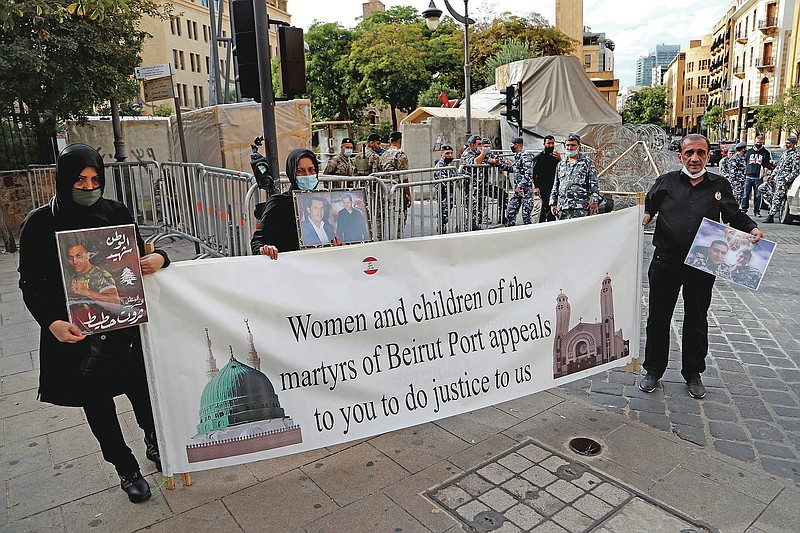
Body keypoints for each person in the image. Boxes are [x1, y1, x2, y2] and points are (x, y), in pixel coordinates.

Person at [18, 143, 170, 503]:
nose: (88, 187)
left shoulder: (115, 211)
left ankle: (154, 441)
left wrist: (161, 257)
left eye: (94, 179)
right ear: (63, 180)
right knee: (98, 402)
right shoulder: (39, 223)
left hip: (122, 327)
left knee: (140, 389)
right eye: (79, 180)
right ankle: (124, 466)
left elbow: (139, 253)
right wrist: (52, 322)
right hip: (76, 334)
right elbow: (29, 284)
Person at [640, 134, 763, 399]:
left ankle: (693, 373)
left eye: (700, 152)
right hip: (666, 261)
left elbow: (734, 214)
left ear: (708, 156)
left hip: (702, 263)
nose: (694, 158)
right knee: (658, 317)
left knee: (696, 318)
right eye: (689, 153)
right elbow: (647, 207)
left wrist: (752, 229)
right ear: (680, 156)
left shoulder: (719, 185)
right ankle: (653, 370)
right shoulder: (666, 182)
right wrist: (644, 217)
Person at [250, 148, 323, 258]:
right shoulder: (279, 203)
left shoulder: (323, 203)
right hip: (289, 270)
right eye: (300, 171)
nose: (307, 175)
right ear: (291, 172)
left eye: (311, 170)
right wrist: (265, 249)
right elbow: (258, 241)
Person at [549, 133, 601, 220]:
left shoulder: (587, 163)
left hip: (580, 207)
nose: (570, 148)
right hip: (563, 207)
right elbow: (556, 185)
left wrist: (594, 201)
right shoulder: (561, 164)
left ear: (578, 146)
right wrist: (553, 203)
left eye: (573, 145)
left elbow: (594, 184)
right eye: (567, 145)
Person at [491, 136, 535, 226]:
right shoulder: (517, 156)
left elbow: (529, 174)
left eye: (512, 144)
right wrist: (500, 164)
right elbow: (513, 169)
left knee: (526, 216)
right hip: (517, 191)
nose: (511, 146)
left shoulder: (525, 156)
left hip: (525, 191)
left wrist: (520, 186)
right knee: (511, 212)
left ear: (516, 145)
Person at [66, 242, 120, 306]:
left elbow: (116, 303)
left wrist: (86, 291)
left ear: (87, 256)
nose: (75, 261)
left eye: (79, 256)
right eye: (71, 257)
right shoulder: (70, 272)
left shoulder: (101, 275)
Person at [378, 131, 411, 235]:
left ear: (389, 141)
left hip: (384, 190)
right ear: (400, 141)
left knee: (386, 218)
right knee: (399, 218)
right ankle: (397, 239)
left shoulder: (383, 155)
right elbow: (404, 176)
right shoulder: (400, 154)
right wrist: (408, 194)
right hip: (397, 191)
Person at [763, 134, 800, 223]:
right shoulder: (785, 153)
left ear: (793, 144)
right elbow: (779, 166)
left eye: (788, 143)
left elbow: (795, 171)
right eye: (786, 143)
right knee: (762, 188)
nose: (786, 144)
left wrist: (786, 180)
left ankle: (771, 216)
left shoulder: (796, 155)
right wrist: (772, 175)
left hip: (784, 181)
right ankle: (775, 205)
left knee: (777, 196)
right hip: (777, 178)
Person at [460, 135, 489, 230]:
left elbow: (488, 160)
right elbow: (475, 162)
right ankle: (469, 227)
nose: (482, 146)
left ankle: (476, 225)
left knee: (480, 206)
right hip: (469, 186)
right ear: (472, 145)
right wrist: (483, 154)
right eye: (479, 144)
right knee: (472, 206)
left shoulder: (478, 153)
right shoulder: (467, 153)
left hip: (478, 186)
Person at [741, 134, 772, 217]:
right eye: (757, 142)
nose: (759, 144)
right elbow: (744, 162)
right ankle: (744, 209)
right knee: (746, 194)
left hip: (758, 177)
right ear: (755, 142)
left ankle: (756, 211)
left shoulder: (765, 153)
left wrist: (764, 173)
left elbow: (766, 165)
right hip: (748, 176)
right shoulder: (749, 152)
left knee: (758, 195)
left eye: (761, 142)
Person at [533, 135, 561, 223]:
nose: (551, 145)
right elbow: (534, 174)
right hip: (543, 187)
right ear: (544, 144)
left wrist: (560, 159)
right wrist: (536, 187)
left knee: (547, 207)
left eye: (552, 143)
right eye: (548, 143)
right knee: (548, 206)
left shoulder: (555, 157)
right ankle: (547, 224)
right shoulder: (539, 158)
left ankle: (544, 223)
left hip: (554, 186)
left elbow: (561, 168)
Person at [433, 144, 458, 233]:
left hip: (450, 195)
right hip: (443, 195)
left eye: (451, 153)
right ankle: (441, 230)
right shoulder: (440, 166)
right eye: (447, 153)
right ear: (442, 154)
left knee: (447, 214)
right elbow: (444, 181)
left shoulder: (450, 166)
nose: (450, 155)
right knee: (443, 214)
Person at [728, 142, 747, 207]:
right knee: (735, 198)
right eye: (745, 148)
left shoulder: (742, 158)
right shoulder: (734, 159)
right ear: (743, 149)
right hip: (737, 183)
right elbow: (732, 173)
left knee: (740, 198)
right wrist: (736, 183)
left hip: (742, 182)